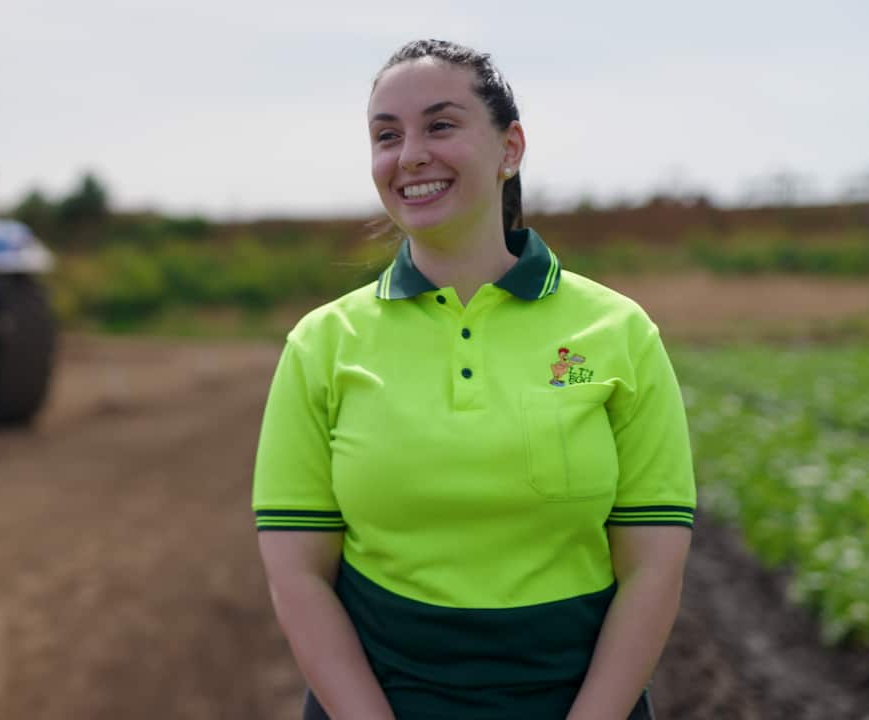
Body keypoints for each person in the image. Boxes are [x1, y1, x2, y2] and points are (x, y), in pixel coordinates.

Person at [252, 39, 695, 720]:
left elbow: (653, 567)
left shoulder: (620, 333)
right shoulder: (321, 346)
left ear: (510, 149)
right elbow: (298, 575)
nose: (410, 155)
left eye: (441, 125)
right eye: (386, 135)